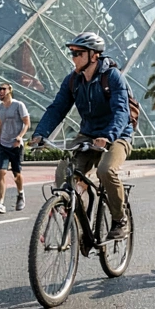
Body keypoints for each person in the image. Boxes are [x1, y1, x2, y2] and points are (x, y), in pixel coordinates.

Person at [30, 32, 134, 241]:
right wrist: (40, 133)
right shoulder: (73, 81)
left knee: (106, 170)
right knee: (63, 172)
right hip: (87, 134)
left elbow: (122, 111)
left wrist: (109, 135)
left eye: (78, 53)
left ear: (94, 56)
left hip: (118, 135)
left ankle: (119, 219)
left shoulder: (112, 77)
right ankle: (77, 220)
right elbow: (57, 108)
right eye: (72, 53)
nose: (73, 57)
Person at [0, 82, 30, 213]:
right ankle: (0, 202)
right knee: (1, 172)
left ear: (9, 90)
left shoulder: (19, 105)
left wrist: (20, 136)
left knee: (17, 174)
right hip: (3, 144)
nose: (0, 91)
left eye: (3, 89)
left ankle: (21, 194)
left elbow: (27, 123)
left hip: (15, 145)